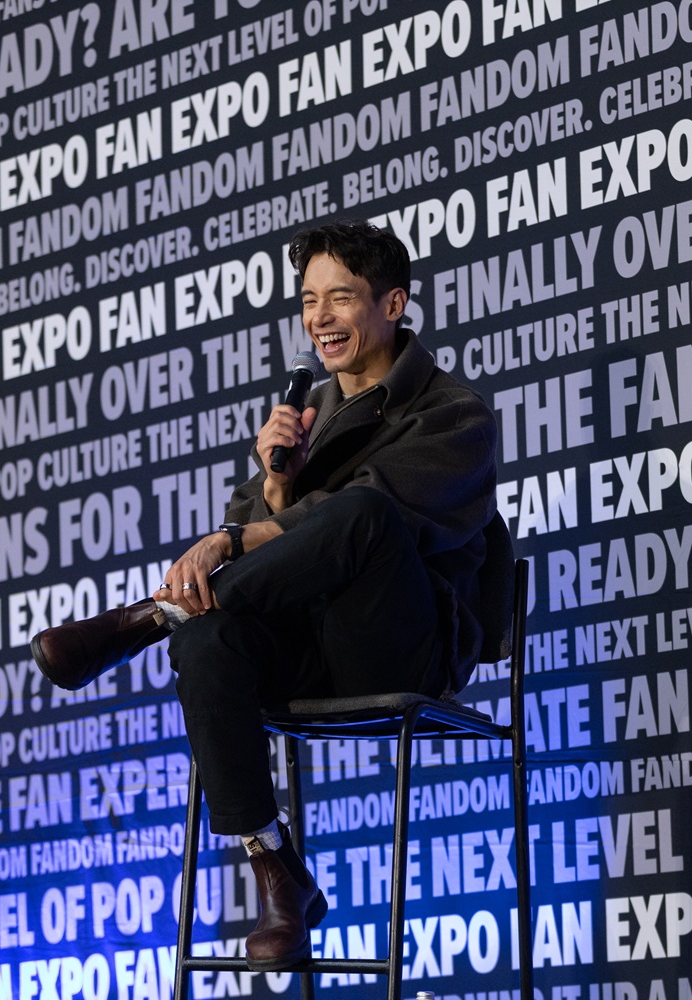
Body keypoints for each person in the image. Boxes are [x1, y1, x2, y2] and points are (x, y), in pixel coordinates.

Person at [31, 220, 498, 970]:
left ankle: (149, 615)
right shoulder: (307, 411)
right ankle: (276, 872)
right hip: (308, 651)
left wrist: (233, 535)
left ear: (393, 303)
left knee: (365, 511)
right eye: (309, 300)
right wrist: (277, 479)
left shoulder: (456, 415)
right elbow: (272, 559)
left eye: (340, 298)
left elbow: (370, 522)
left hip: (399, 649)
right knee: (207, 637)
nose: (319, 318)